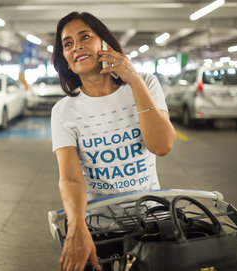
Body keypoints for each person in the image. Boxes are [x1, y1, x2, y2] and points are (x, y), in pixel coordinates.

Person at [50, 12, 176, 271]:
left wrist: (133, 79)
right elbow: (71, 178)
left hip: (150, 218)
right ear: (65, 58)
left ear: (105, 44)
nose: (77, 46)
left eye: (85, 37)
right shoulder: (64, 111)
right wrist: (77, 225)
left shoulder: (146, 83)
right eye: (68, 43)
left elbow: (161, 146)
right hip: (99, 224)